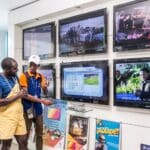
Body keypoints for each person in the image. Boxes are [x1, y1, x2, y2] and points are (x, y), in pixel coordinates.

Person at [19, 55, 53, 150]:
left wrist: (46, 87)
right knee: (24, 135)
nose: (33, 66)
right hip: (27, 109)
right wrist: (42, 101)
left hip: (38, 110)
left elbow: (45, 93)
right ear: (29, 64)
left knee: (39, 135)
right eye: (31, 64)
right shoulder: (23, 76)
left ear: (38, 66)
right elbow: (25, 95)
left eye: (35, 65)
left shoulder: (41, 77)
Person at [0, 57, 28, 150]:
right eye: (15, 68)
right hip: (7, 117)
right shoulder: (0, 80)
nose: (17, 70)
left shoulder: (15, 77)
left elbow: (20, 93)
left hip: (19, 115)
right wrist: (18, 95)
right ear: (7, 69)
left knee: (23, 141)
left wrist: (24, 92)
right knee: (7, 145)